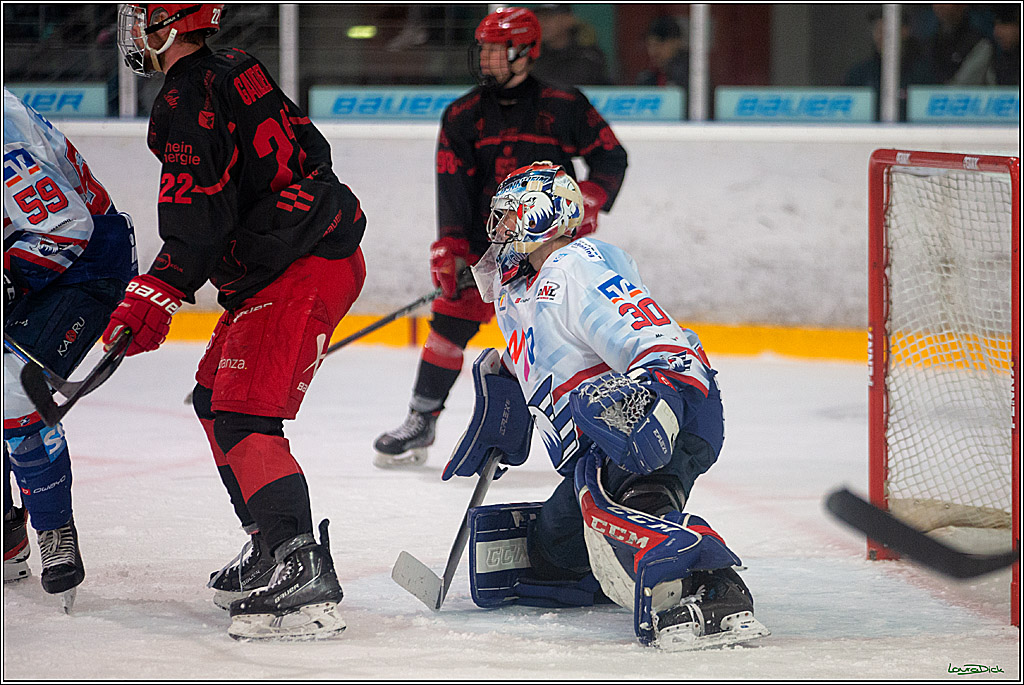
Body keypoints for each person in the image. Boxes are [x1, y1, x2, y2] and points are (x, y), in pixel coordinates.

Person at [114, 3, 366, 640]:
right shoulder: (240, 66)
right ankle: (267, 541)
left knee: (245, 418)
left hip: (298, 267)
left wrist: (158, 288)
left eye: (143, 18)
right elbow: (314, 149)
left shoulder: (184, 99)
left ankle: (300, 566)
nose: (134, 30)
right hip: (303, 250)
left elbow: (195, 222)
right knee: (212, 399)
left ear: (172, 26)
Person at [441, 161, 769, 650]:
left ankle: (716, 582)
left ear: (542, 216)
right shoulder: (516, 294)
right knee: (552, 550)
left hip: (662, 412)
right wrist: (501, 398)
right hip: (599, 447)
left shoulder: (573, 267)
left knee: (615, 512)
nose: (499, 231)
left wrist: (654, 399)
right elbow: (543, 362)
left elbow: (656, 340)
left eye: (509, 218)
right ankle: (624, 563)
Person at [372, 6, 627, 469]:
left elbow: (612, 158)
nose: (487, 58)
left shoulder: (564, 105)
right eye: (484, 48)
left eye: (497, 49)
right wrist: (449, 247)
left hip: (551, 250)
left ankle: (606, 421)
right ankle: (422, 418)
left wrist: (587, 200)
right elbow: (453, 188)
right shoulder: (462, 115)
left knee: (571, 331)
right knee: (448, 326)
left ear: (527, 51)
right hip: (487, 249)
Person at [3, 87, 137, 609]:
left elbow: (65, 229)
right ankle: (7, 536)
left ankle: (55, 531)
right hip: (30, 252)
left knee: (13, 391)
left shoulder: (2, 133)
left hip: (85, 264)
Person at [843, 8, 934, 120]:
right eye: (878, 30)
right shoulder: (860, 74)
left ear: (905, 31)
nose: (880, 37)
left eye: (886, 31)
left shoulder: (922, 72)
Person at [530, 4, 612, 87]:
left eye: (548, 17)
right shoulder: (532, 55)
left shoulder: (588, 56)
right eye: (538, 18)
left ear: (568, 19)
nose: (542, 24)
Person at [635, 15, 689, 88]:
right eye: (650, 45)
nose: (653, 51)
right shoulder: (648, 78)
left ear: (676, 42)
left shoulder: (691, 75)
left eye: (659, 44)